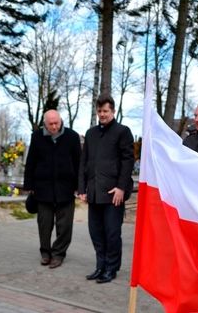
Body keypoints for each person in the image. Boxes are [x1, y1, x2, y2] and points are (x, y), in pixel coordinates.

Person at [78, 94, 134, 284]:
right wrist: (82, 189)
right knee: (96, 232)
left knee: (111, 233)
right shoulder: (91, 133)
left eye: (106, 111)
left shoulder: (123, 131)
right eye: (99, 111)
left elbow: (128, 161)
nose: (102, 114)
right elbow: (84, 162)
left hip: (113, 194)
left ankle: (111, 268)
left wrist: (121, 187)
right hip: (94, 192)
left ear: (113, 111)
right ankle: (100, 266)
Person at [23, 110, 81, 269]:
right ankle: (45, 252)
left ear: (61, 120)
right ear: (45, 123)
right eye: (50, 124)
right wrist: (29, 185)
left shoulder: (72, 137)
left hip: (66, 188)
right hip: (43, 189)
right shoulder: (37, 136)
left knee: (65, 226)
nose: (54, 126)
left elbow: (79, 163)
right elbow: (31, 161)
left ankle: (58, 254)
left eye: (57, 123)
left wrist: (79, 186)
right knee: (44, 223)